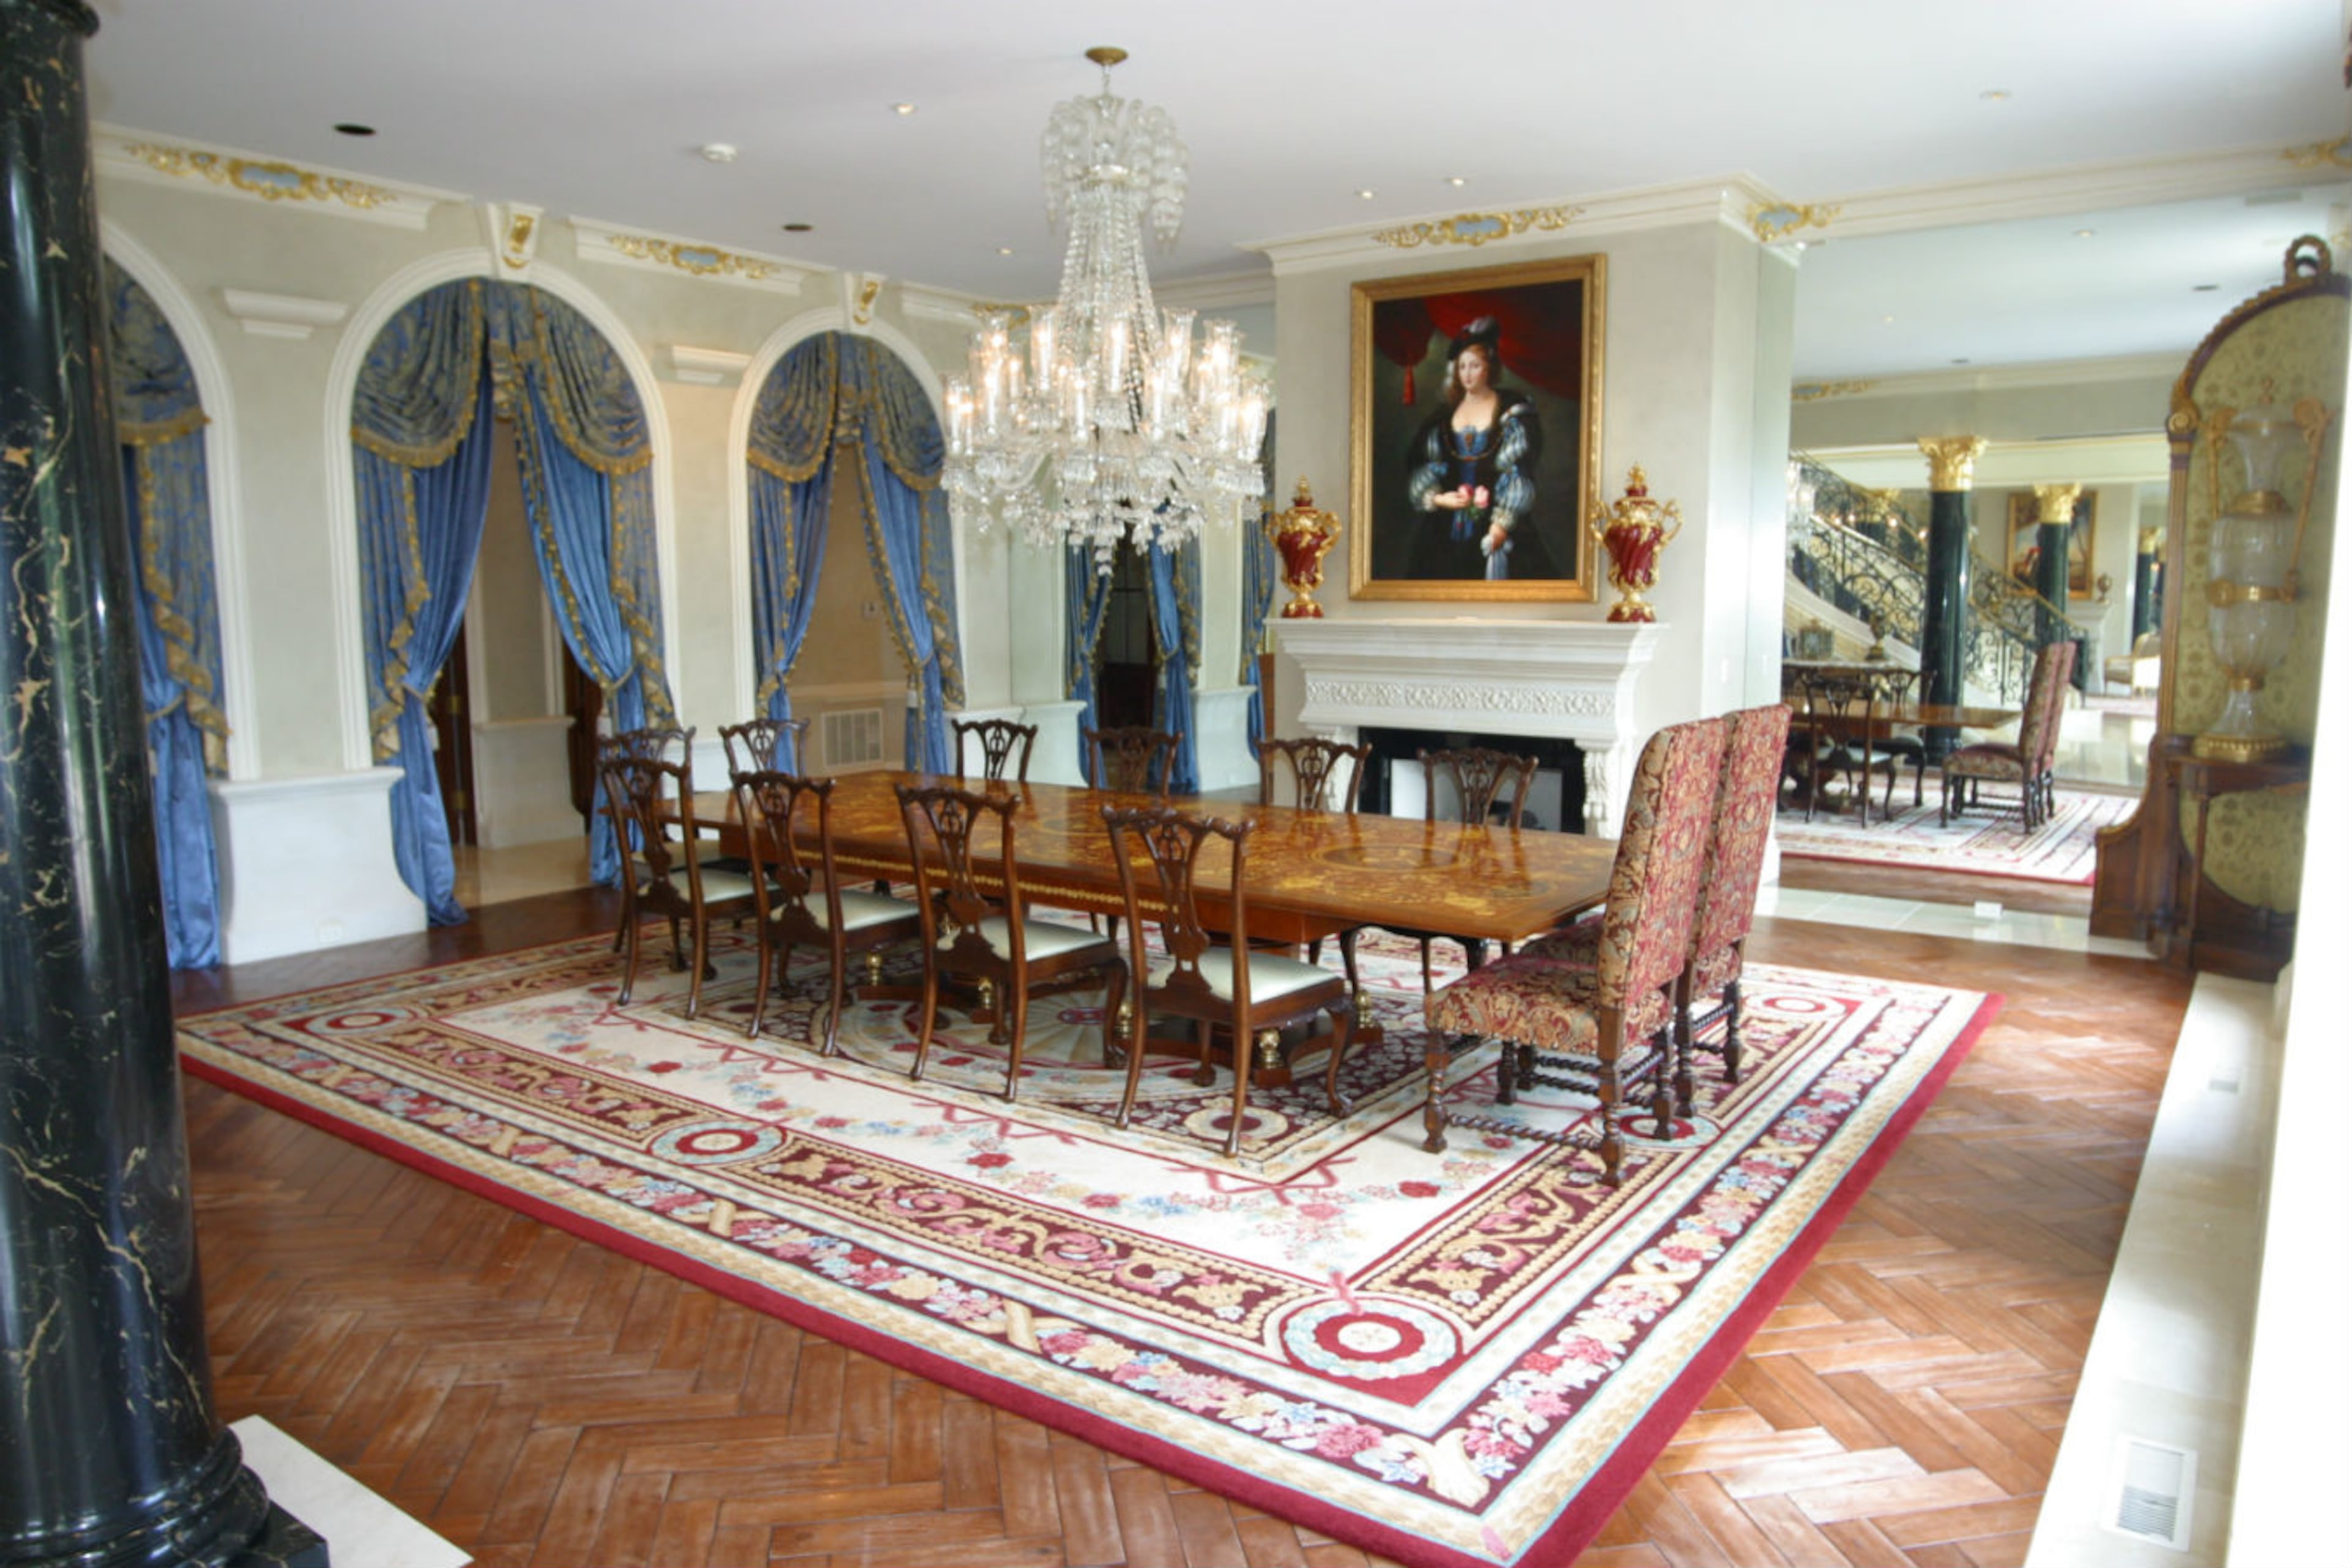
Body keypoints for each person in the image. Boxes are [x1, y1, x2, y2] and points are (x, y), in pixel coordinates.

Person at [1405, 318, 1541, 579]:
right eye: (1462, 366)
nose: (1467, 373)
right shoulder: (1442, 418)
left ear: (1489, 368)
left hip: (1495, 523)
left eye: (1475, 366)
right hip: (1444, 527)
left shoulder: (1512, 411)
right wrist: (1437, 499)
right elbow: (1421, 464)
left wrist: (1502, 524)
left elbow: (1518, 468)